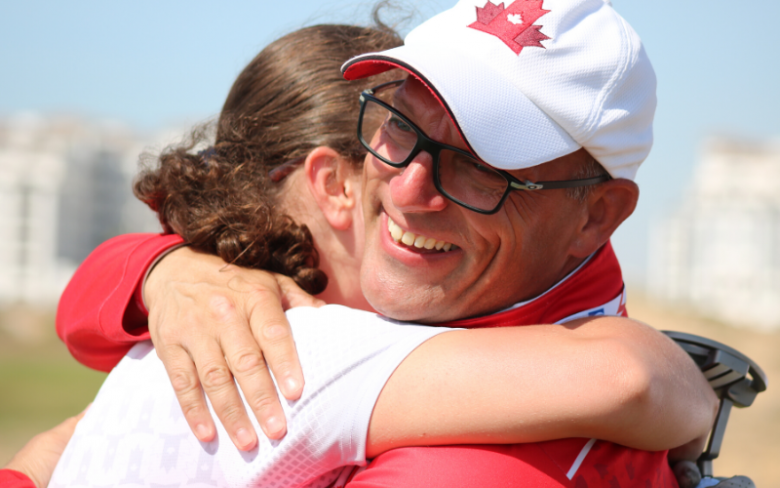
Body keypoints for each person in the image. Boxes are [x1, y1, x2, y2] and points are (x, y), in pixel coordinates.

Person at [54, 3, 719, 487]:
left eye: (482, 164)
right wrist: (167, 270)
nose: (408, 188)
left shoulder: (486, 463)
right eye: (402, 126)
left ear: (595, 216)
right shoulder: (323, 322)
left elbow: (625, 380)